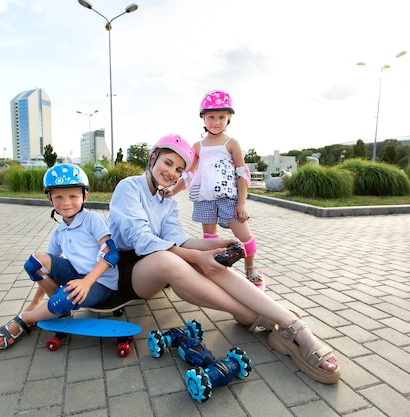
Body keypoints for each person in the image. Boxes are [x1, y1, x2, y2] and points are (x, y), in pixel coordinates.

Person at [108, 134, 340, 384]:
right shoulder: (129, 187)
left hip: (159, 261)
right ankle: (254, 316)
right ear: (153, 158)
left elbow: (179, 240)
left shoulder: (167, 202)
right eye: (167, 163)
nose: (172, 173)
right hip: (128, 271)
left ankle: (290, 323)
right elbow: (143, 240)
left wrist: (217, 244)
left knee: (209, 263)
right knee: (172, 261)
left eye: (178, 170)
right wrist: (196, 256)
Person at [0, 163, 120, 350]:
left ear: (84, 196)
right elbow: (44, 268)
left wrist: (86, 283)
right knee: (35, 262)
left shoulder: (92, 220)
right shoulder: (60, 231)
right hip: (77, 276)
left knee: (63, 298)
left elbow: (111, 254)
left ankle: (25, 319)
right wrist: (35, 302)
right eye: (59, 197)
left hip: (100, 283)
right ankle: (54, 308)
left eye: (73, 196)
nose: (66, 203)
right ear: (50, 198)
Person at [174, 89, 263, 290]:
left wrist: (241, 203)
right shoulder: (197, 146)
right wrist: (171, 191)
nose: (216, 121)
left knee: (244, 236)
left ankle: (251, 268)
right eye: (211, 117)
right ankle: (218, 270)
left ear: (229, 118)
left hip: (228, 199)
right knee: (211, 240)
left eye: (221, 117)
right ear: (203, 118)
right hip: (205, 199)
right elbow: (189, 174)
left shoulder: (232, 144)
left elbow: (242, 174)